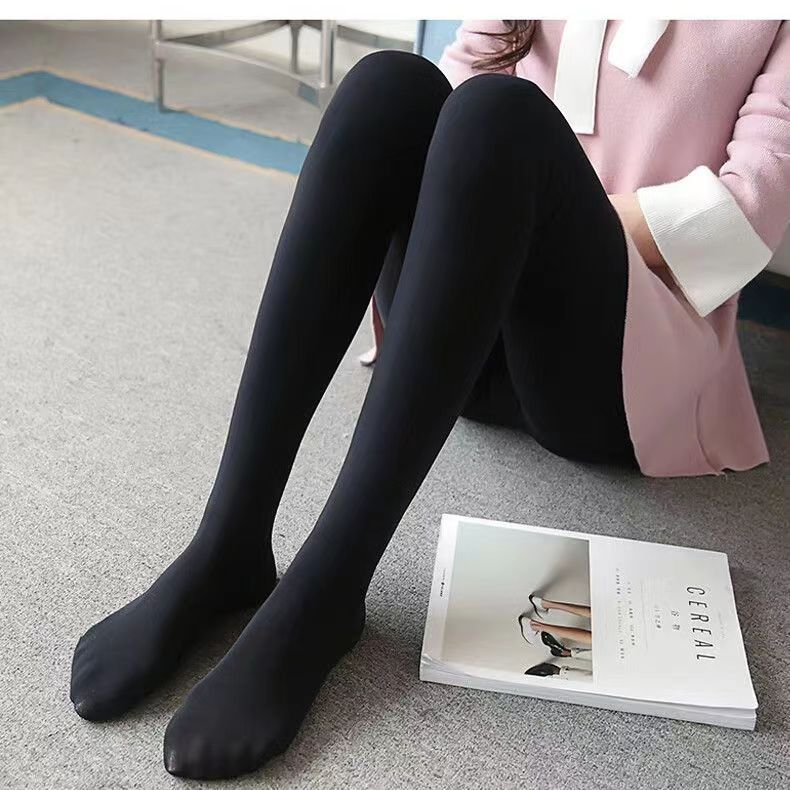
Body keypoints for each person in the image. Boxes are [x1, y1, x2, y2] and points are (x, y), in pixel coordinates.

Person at [70, 20, 790, 780]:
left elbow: (745, 217)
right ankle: (228, 543)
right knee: (390, 86)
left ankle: (326, 592)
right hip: (460, 337)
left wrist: (542, 210)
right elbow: (450, 100)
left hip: (608, 368)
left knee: (500, 118)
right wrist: (487, 206)